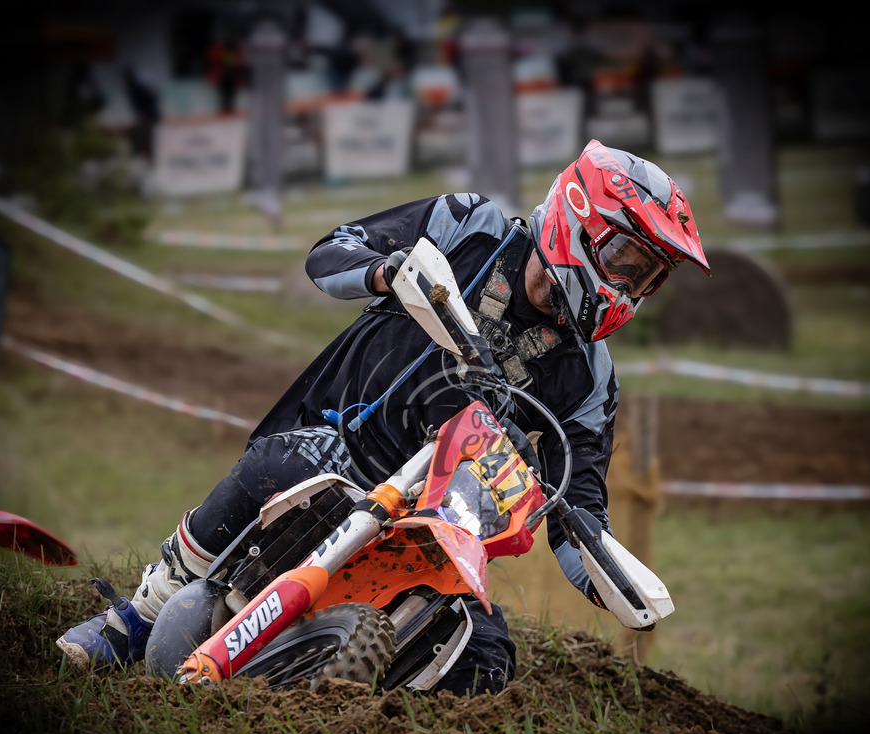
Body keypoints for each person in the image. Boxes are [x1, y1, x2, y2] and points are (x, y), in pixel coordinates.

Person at [57, 140, 710, 694]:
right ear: (580, 218)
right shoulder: (469, 227)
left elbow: (583, 509)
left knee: (485, 657)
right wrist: (385, 270)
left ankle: (330, 701)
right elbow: (328, 253)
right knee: (276, 467)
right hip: (337, 447)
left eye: (648, 277)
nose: (630, 288)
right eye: (629, 261)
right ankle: (132, 622)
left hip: (431, 520)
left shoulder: (592, 376)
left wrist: (608, 576)